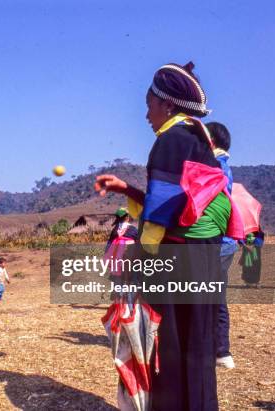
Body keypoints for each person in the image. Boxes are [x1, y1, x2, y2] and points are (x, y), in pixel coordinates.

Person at [95, 62, 241, 410]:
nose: (146, 115)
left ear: (167, 105)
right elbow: (180, 205)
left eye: (149, 105)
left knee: (172, 345)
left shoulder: (170, 141)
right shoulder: (195, 137)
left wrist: (139, 256)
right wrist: (128, 188)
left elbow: (162, 216)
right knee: (197, 344)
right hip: (200, 255)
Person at [206, 121, 236, 369]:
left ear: (211, 141)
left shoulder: (214, 166)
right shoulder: (225, 166)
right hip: (226, 243)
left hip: (215, 243)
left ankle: (215, 350)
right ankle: (221, 351)